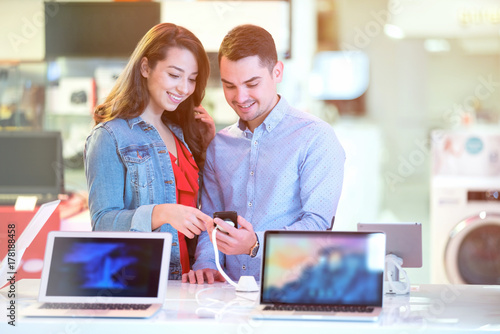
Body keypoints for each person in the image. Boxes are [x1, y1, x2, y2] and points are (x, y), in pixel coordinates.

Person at [182, 24, 345, 284]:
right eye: (229, 86)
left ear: (277, 71)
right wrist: (207, 264)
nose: (240, 97)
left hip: (293, 291)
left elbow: (318, 226)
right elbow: (211, 224)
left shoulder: (316, 137)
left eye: (251, 83)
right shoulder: (219, 146)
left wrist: (256, 243)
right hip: (227, 297)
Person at [84, 23, 215, 280]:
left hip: (187, 283)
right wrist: (161, 213)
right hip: (142, 281)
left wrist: (208, 146)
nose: (184, 89)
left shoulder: (181, 134)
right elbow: (102, 224)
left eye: (191, 79)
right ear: (145, 67)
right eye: (174, 75)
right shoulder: (110, 136)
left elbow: (203, 208)